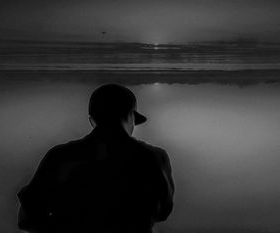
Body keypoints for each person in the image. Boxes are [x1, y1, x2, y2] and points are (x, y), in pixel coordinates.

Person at [17, 83, 174, 233]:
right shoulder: (153, 157)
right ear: (130, 117)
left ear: (92, 120)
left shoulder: (60, 156)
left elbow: (27, 219)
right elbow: (163, 212)